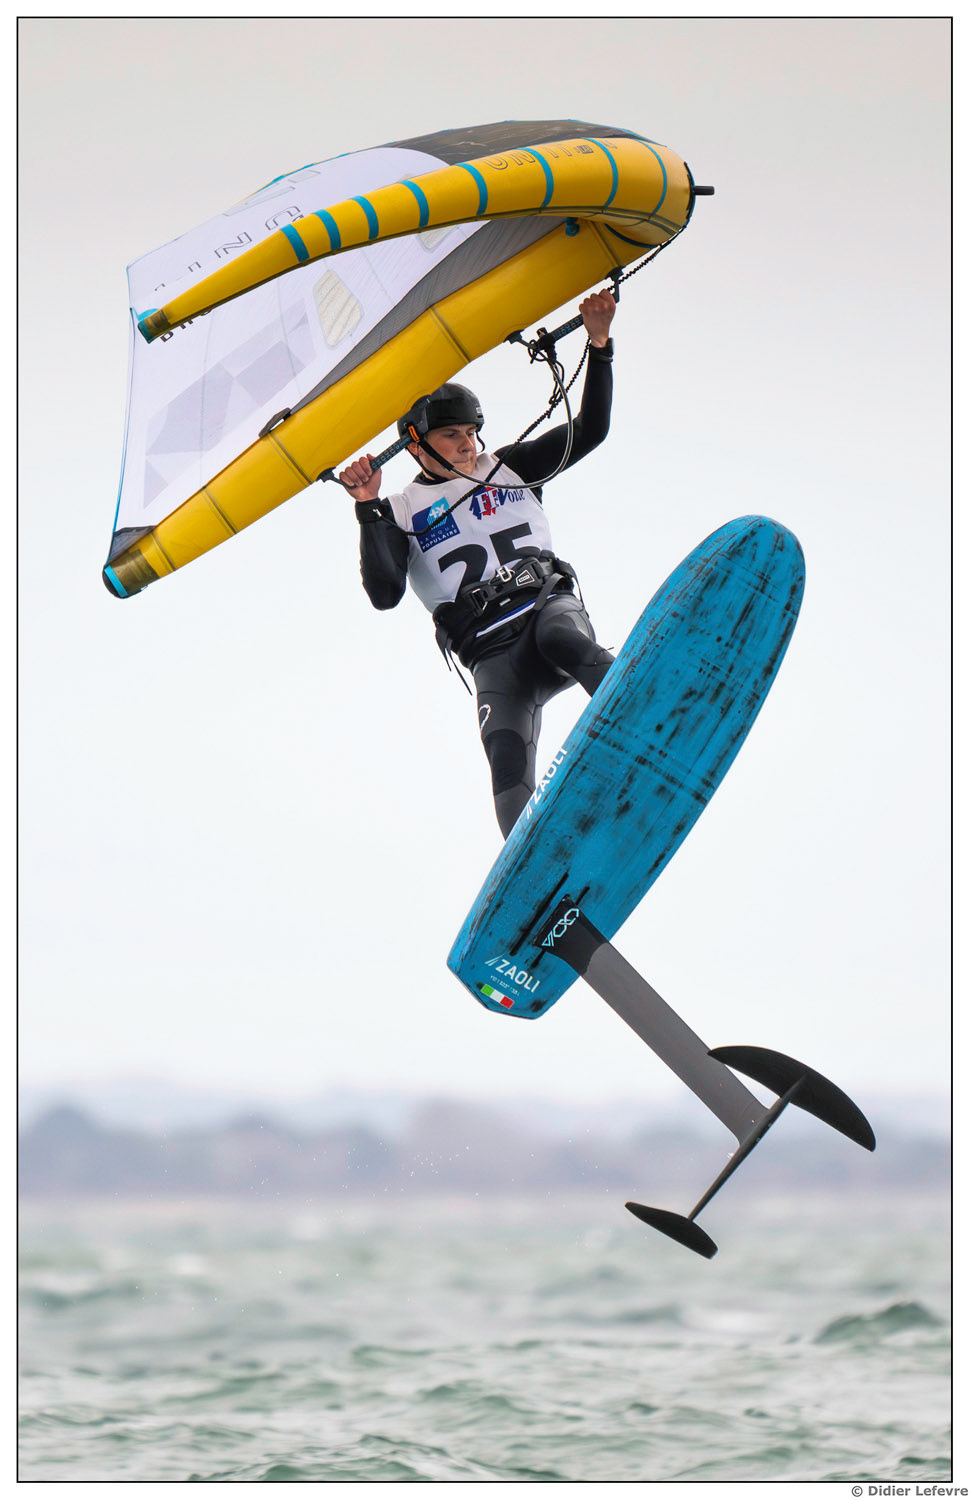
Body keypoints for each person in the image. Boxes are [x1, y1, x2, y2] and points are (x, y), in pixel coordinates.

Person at [340, 290, 618, 839]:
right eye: (451, 435)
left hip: (544, 609)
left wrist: (599, 344)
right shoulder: (399, 511)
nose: (467, 446)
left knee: (562, 639)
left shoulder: (509, 466)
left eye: (470, 433)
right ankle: (533, 865)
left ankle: (642, 710)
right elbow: (385, 595)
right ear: (416, 445)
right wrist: (367, 507)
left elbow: (591, 429)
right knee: (503, 754)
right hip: (491, 653)